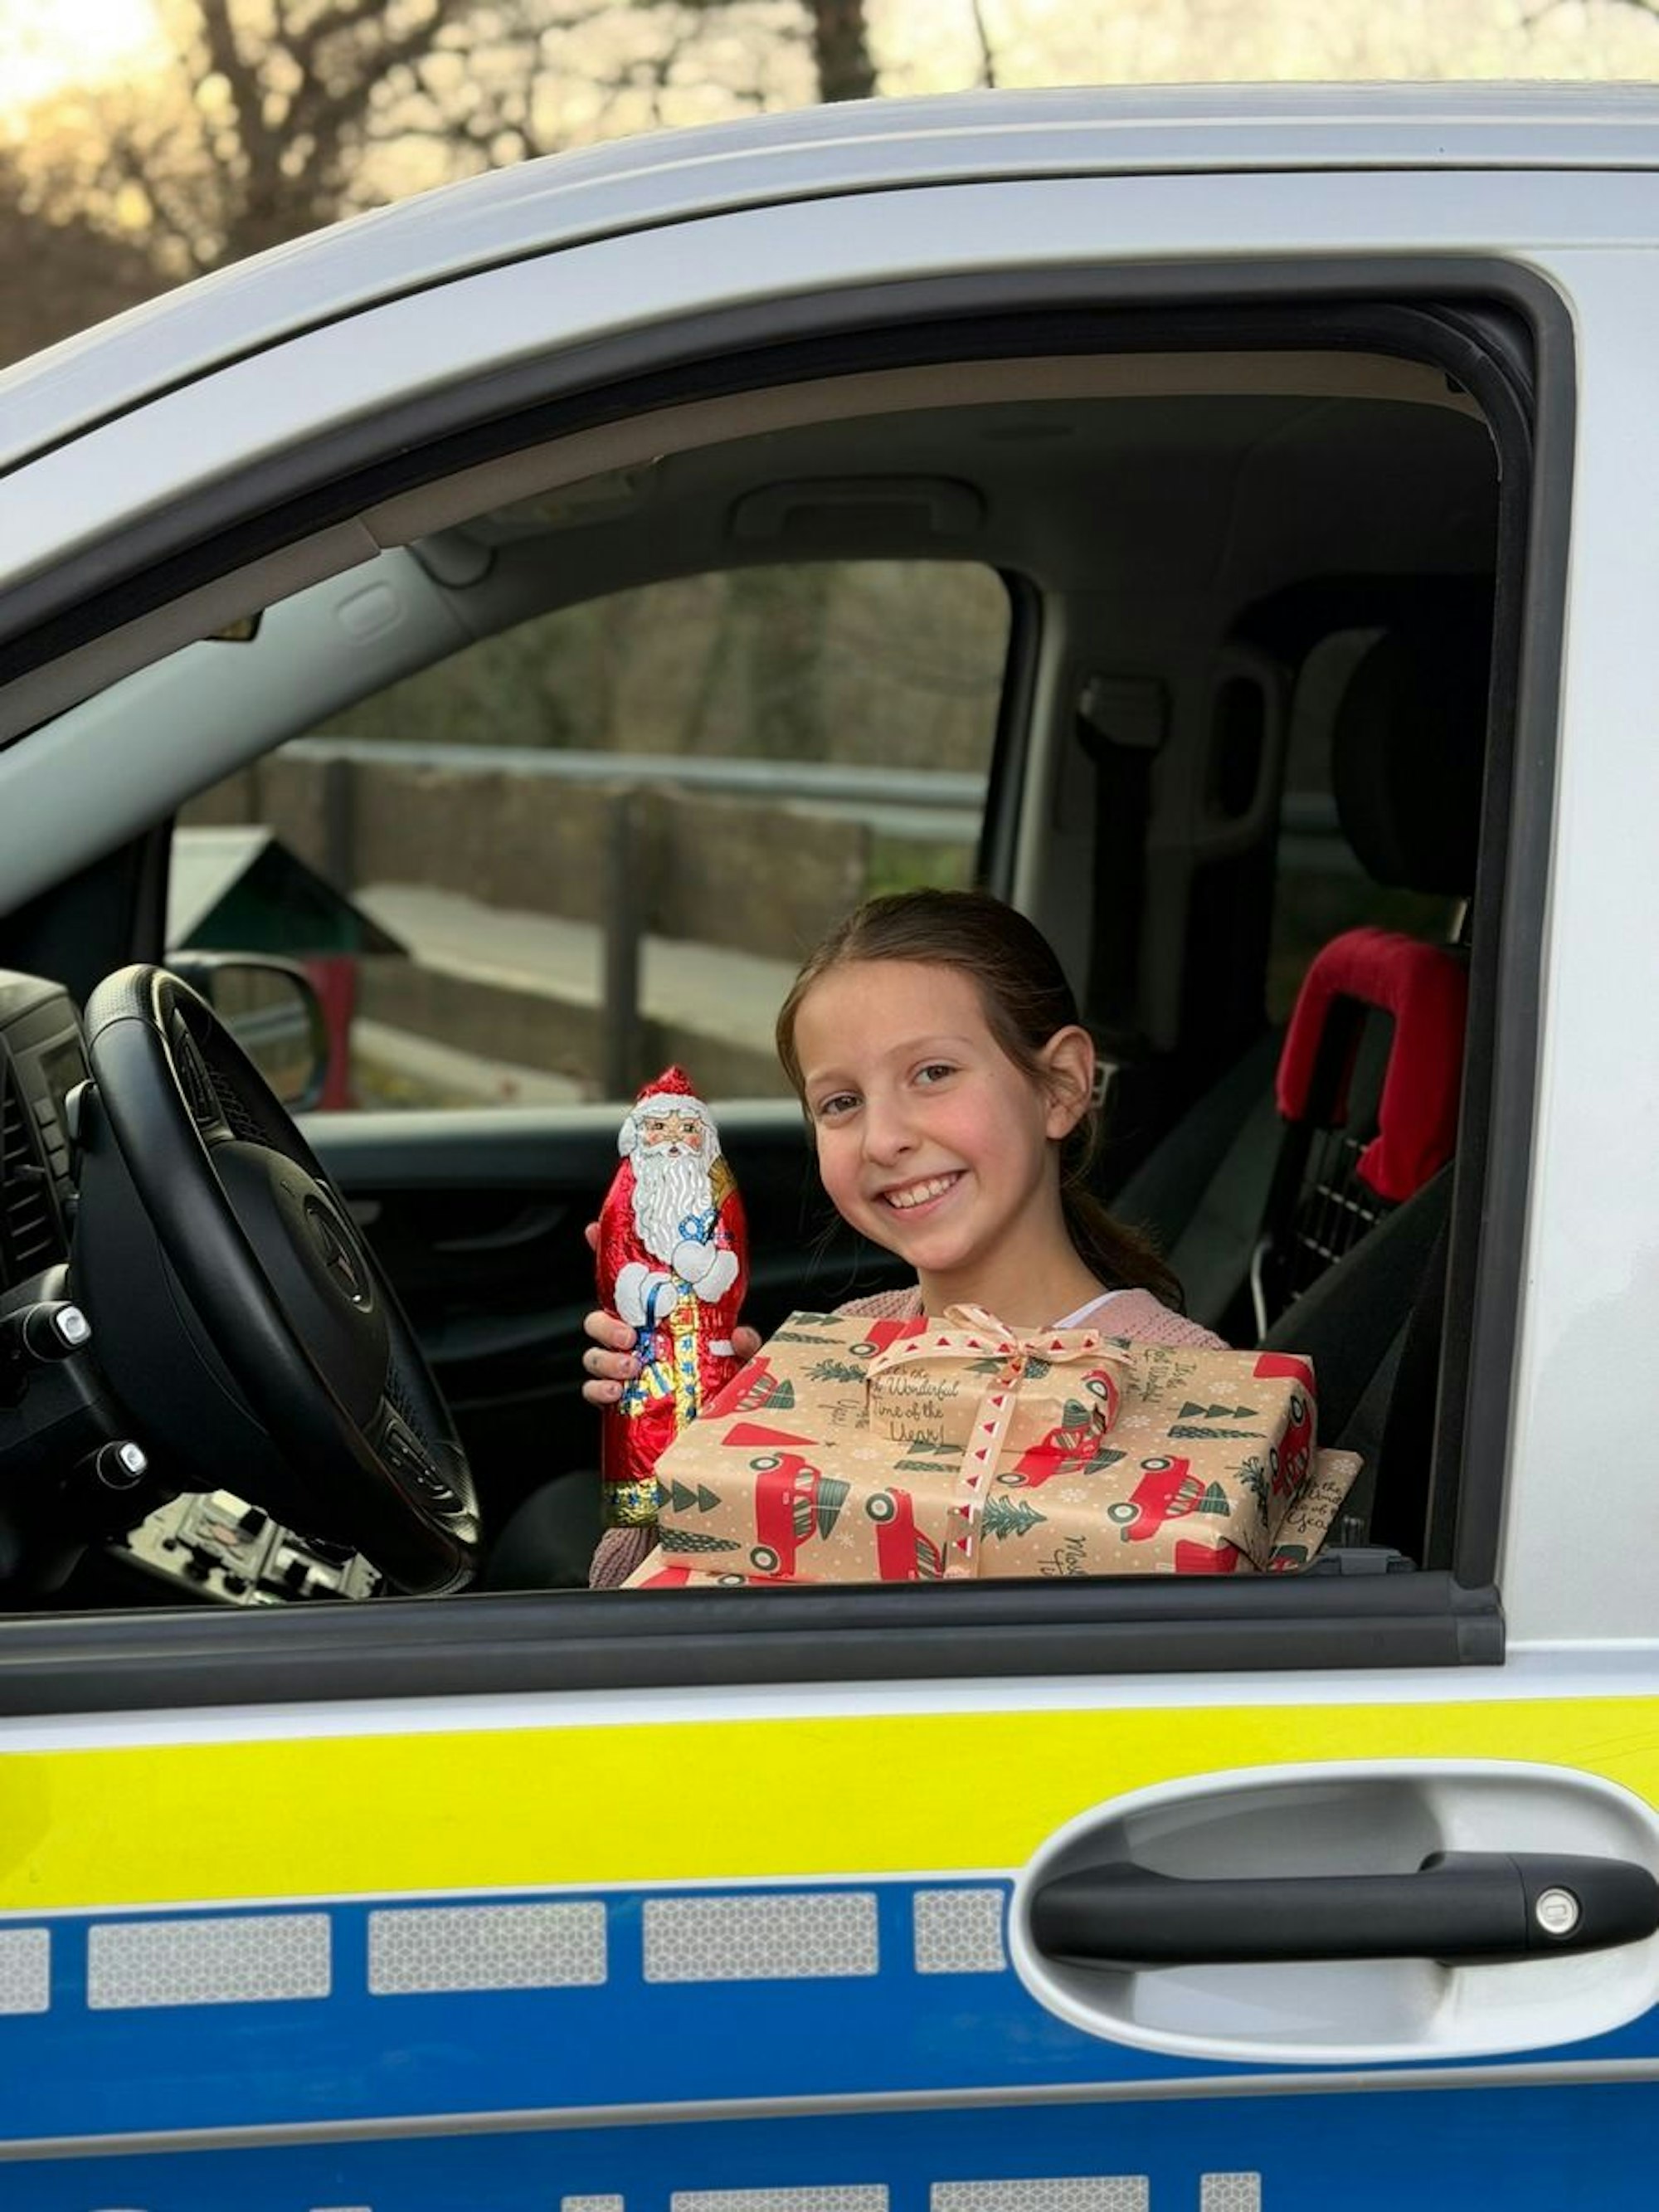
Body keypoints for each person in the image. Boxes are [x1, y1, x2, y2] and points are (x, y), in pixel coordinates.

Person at [580, 888, 1223, 1584]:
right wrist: (697, 1444)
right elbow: (632, 1615)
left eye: (933, 1073)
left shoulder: (1198, 1391)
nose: (884, 1139)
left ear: (1061, 1087)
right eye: (842, 1103)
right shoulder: (834, 1354)